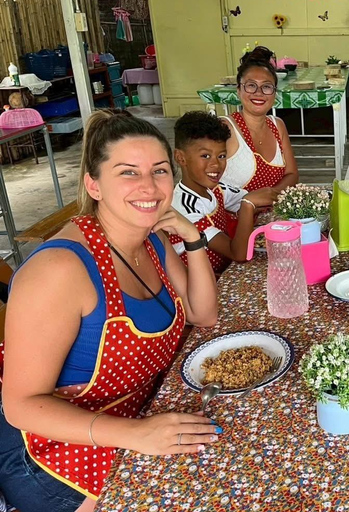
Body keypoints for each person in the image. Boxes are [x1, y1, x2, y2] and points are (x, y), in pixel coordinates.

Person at [0, 110, 221, 512]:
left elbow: (203, 315)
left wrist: (192, 237)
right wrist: (135, 435)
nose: (149, 186)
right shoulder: (60, 269)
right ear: (93, 185)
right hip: (50, 455)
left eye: (159, 171)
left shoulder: (150, 242)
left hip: (135, 418)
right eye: (128, 173)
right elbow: (21, 405)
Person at [170, 111, 274, 273]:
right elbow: (238, 254)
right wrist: (247, 205)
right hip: (202, 287)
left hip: (226, 272)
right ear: (180, 158)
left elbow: (254, 199)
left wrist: (257, 200)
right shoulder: (185, 209)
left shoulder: (216, 190)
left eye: (221, 155)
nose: (216, 165)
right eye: (205, 156)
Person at [221, 46, 298, 197]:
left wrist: (270, 195)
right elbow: (202, 181)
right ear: (238, 90)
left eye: (266, 87)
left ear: (274, 93)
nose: (259, 93)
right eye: (251, 85)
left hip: (272, 216)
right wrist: (250, 203)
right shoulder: (225, 128)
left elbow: (292, 174)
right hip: (233, 218)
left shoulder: (277, 125)